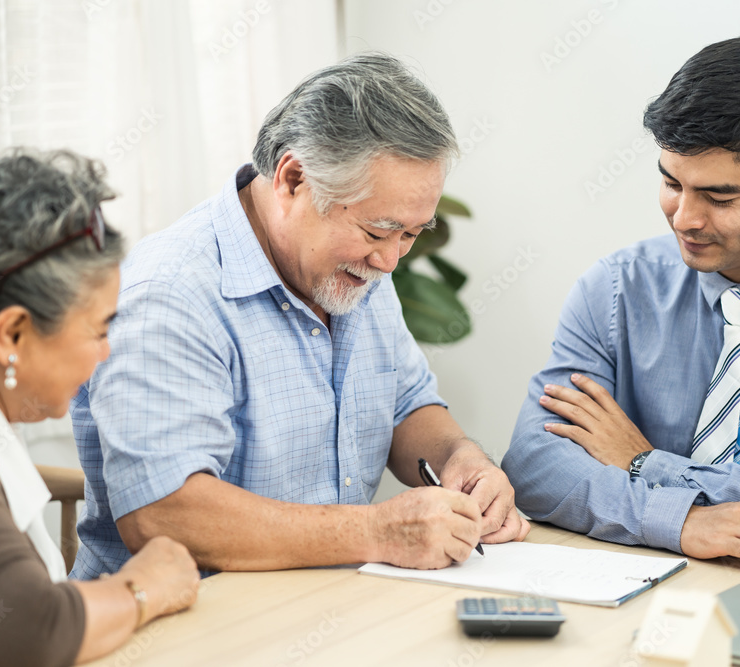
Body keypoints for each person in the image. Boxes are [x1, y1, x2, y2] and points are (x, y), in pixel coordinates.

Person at [71, 52, 530, 580]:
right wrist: (378, 532)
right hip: (181, 633)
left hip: (327, 611)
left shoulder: (356, 269)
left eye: (411, 234)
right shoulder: (171, 292)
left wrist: (461, 459)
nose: (390, 260)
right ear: (292, 180)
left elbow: (406, 406)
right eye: (377, 231)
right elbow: (164, 514)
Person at [504, 35, 740, 572]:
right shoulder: (614, 290)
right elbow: (535, 466)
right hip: (633, 594)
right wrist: (682, 522)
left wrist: (643, 463)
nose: (683, 218)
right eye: (672, 183)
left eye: (719, 198)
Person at [0, 140, 200, 667]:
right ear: (13, 335)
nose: (106, 351)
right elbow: (21, 633)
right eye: (98, 329)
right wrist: (143, 585)